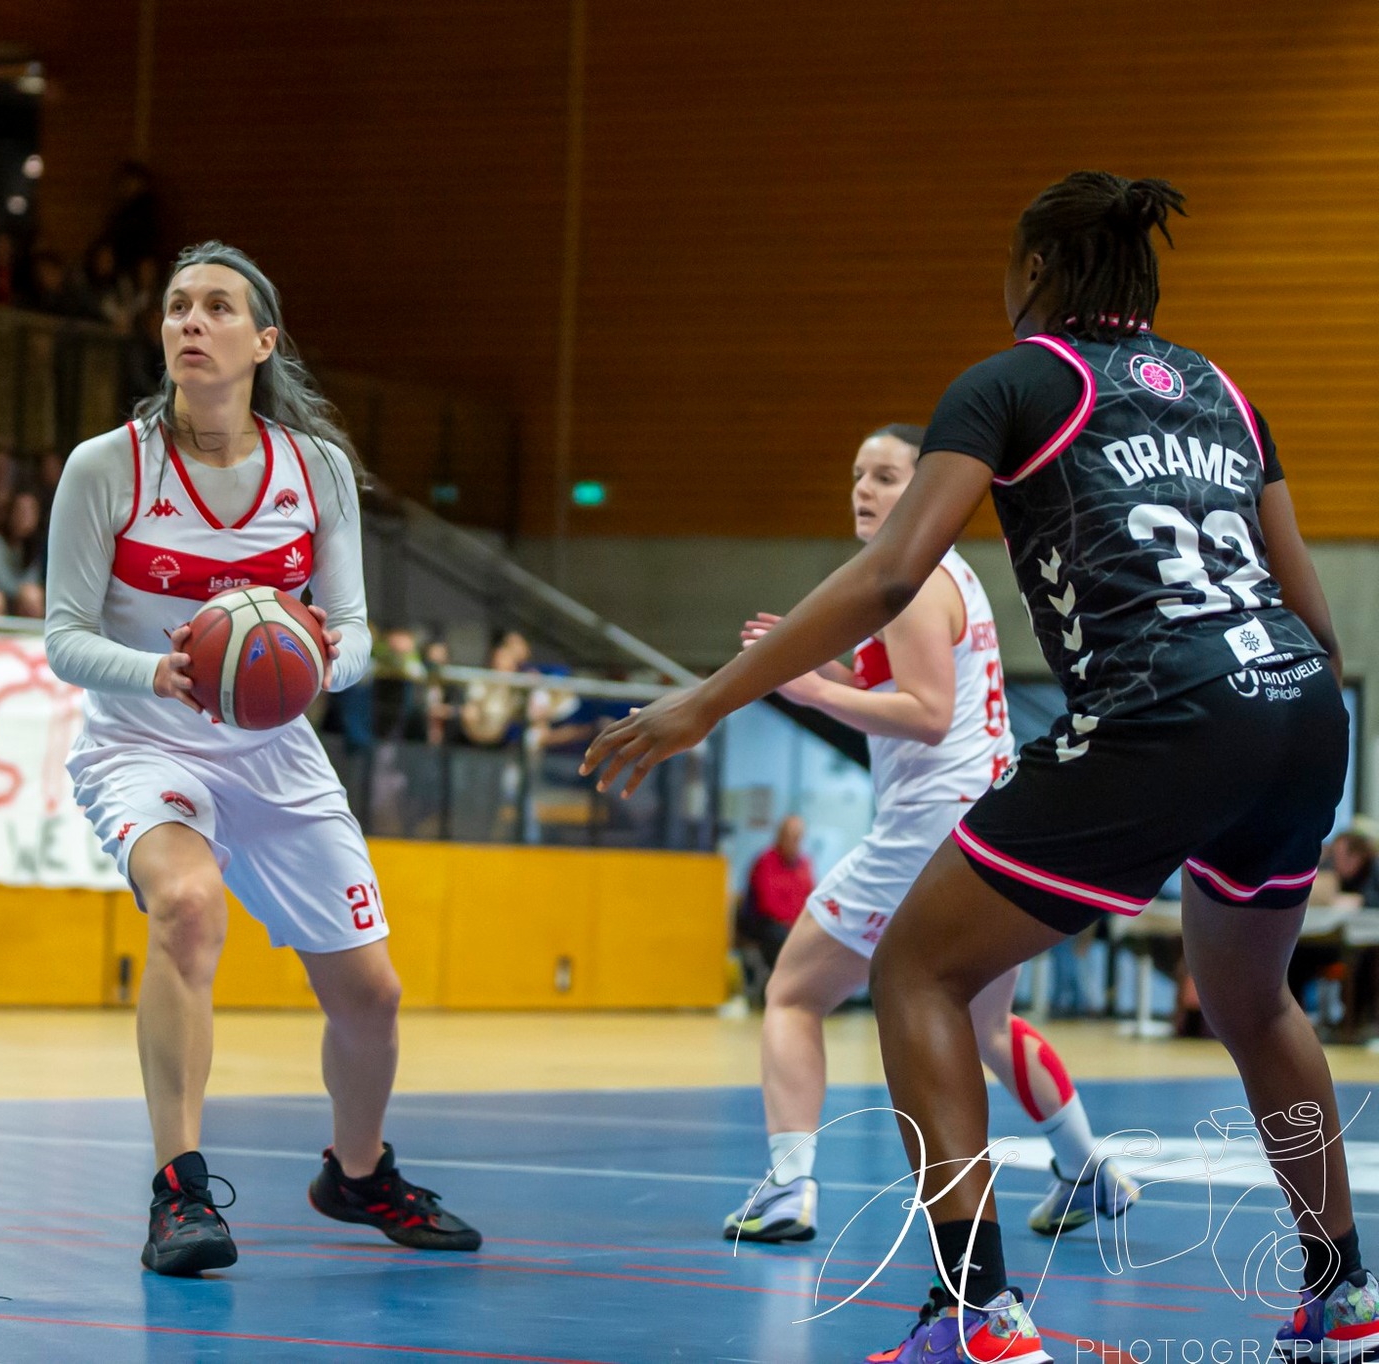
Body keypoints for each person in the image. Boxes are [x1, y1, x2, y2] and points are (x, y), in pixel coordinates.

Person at [584, 172, 1362, 1362]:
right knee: (1255, 1001)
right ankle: (1342, 1292)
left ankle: (972, 1314)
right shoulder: (1222, 393)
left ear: (1038, 274)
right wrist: (1274, 724)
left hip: (1163, 703)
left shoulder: (1015, 380)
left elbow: (890, 572)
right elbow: (1310, 605)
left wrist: (705, 699)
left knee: (914, 970)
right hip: (1299, 700)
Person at [45, 242, 481, 1276]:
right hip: (144, 736)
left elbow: (359, 633)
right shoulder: (107, 465)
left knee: (371, 994)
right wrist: (156, 675)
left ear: (261, 339)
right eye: (176, 306)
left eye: (215, 307)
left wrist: (323, 660)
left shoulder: (315, 466)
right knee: (188, 905)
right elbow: (62, 636)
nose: (190, 321)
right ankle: (179, 1190)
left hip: (274, 750)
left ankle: (358, 1172)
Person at [723, 425, 1130, 1249]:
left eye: (884, 476)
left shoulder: (908, 583)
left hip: (926, 833)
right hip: (991, 822)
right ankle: (1088, 1169)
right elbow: (907, 684)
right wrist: (831, 674)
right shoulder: (948, 573)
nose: (863, 490)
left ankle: (789, 1190)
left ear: (923, 488)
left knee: (793, 994)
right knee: (984, 1026)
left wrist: (811, 692)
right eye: (856, 474)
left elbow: (926, 711)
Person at [737, 814, 814, 1004]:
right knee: (782, 938)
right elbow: (768, 904)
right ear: (780, 837)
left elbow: (810, 898)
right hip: (764, 923)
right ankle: (783, 992)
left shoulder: (804, 864)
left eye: (799, 837)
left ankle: (810, 994)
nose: (796, 842)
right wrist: (794, 925)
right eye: (792, 836)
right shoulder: (766, 861)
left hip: (792, 924)